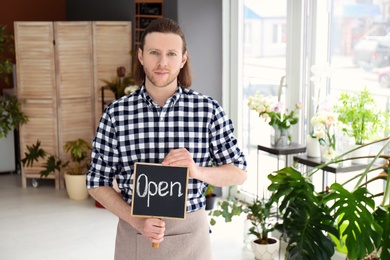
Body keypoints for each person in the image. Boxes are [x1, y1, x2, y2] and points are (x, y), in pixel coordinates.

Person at [86, 17, 247, 260]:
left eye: (171, 53)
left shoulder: (207, 110)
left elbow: (239, 171)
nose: (162, 62)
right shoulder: (116, 114)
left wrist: (197, 171)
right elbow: (97, 182)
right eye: (154, 53)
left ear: (183, 59)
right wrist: (137, 221)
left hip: (193, 236)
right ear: (141, 56)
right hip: (135, 235)